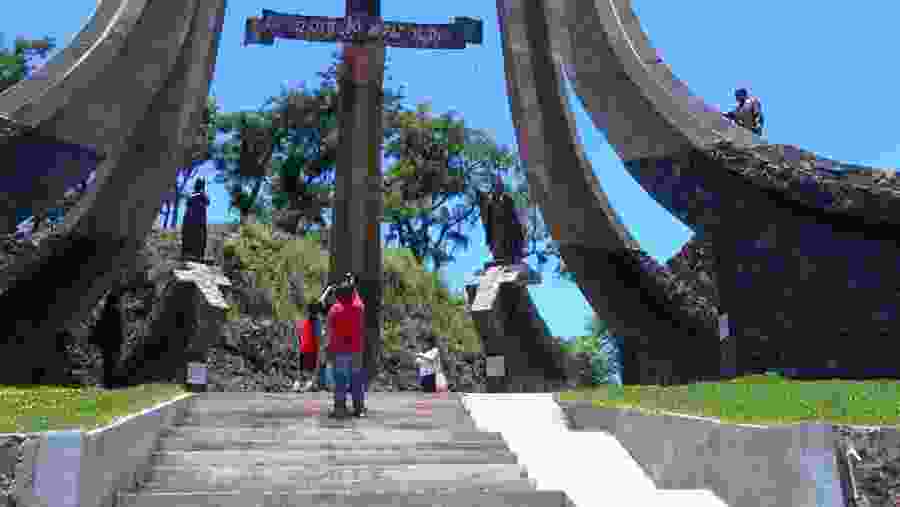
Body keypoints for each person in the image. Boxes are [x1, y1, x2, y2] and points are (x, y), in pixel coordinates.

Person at [326, 274, 367, 418]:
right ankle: (359, 409)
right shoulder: (359, 308)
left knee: (340, 381)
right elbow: (356, 297)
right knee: (357, 381)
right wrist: (352, 283)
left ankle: (339, 409)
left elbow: (329, 333)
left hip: (340, 352)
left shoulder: (335, 310)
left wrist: (328, 349)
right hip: (356, 351)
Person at [181, 178, 210, 261]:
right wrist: (200, 194)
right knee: (188, 237)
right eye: (199, 184)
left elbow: (207, 201)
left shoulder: (203, 195)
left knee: (199, 238)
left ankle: (198, 255)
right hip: (190, 220)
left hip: (200, 221)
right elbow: (188, 201)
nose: (199, 186)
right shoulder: (192, 195)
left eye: (201, 184)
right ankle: (188, 254)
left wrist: (202, 192)